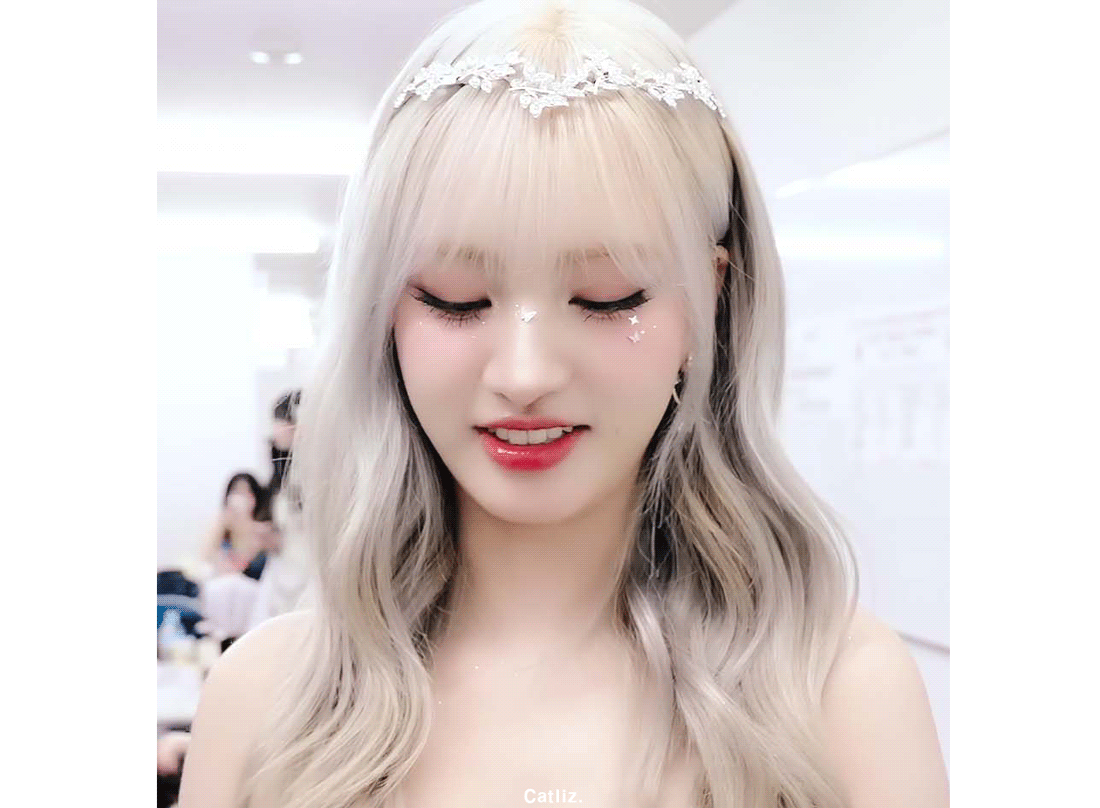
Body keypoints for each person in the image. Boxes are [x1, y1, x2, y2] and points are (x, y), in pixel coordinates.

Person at [181, 2, 949, 807]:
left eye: (608, 297)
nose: (524, 373)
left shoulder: (839, 695)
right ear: (383, 311)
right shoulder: (265, 701)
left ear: (710, 300)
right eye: (455, 297)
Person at [198, 472, 273, 582]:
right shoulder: (221, 525)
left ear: (256, 498)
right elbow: (205, 557)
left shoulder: (262, 530)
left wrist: (244, 525)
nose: (239, 498)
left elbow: (249, 563)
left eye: (247, 492)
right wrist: (222, 525)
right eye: (236, 491)